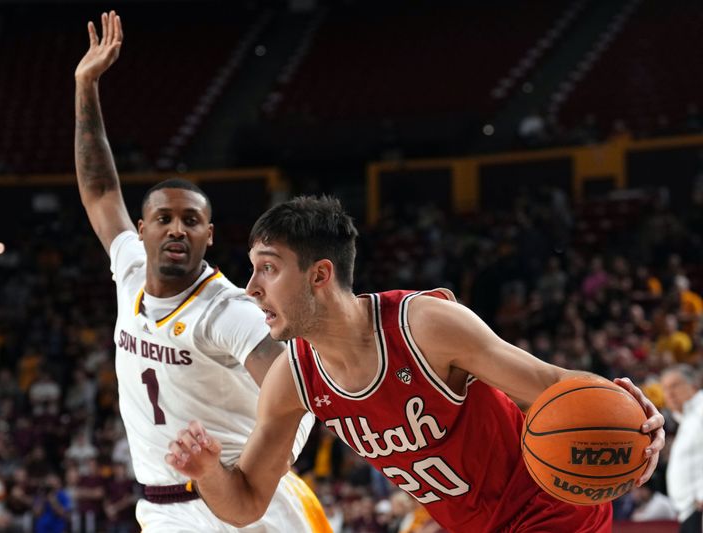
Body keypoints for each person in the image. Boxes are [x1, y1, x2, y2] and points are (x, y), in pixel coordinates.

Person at [168, 196, 666, 532]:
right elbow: (247, 502)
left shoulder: (424, 325)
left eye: (268, 269)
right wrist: (209, 471)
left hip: (551, 506)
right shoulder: (292, 379)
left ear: (320, 274)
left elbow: (552, 384)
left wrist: (633, 418)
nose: (250, 288)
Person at [73, 11, 327, 532]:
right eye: (163, 219)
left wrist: (244, 480)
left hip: (234, 508)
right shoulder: (128, 269)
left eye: (191, 221)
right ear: (141, 229)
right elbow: (100, 191)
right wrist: (85, 85)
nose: (175, 230)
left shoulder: (226, 310)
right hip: (161, 505)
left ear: (208, 235)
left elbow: (294, 396)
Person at [660, 364, 703, 532]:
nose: (669, 394)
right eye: (664, 388)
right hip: (689, 511)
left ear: (693, 385)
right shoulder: (688, 418)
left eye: (675, 386)